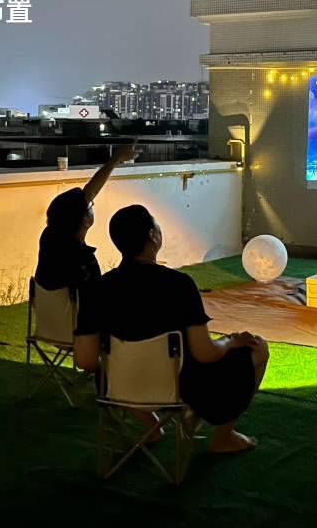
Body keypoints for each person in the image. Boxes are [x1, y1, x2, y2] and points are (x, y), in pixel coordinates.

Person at [74, 204, 268, 453]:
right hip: (182, 387)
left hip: (119, 386)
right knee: (258, 347)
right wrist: (231, 340)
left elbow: (85, 361)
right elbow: (205, 353)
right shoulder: (179, 284)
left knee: (110, 368)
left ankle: (152, 426)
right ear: (153, 235)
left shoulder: (97, 289)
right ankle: (223, 436)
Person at [34, 141, 136, 293]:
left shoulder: (49, 238)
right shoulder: (83, 260)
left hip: (51, 308)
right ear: (85, 220)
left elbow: (88, 193)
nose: (92, 203)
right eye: (90, 206)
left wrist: (115, 160)